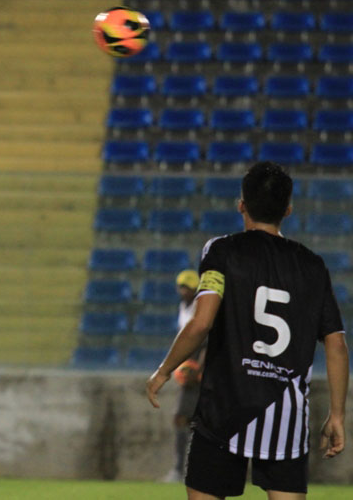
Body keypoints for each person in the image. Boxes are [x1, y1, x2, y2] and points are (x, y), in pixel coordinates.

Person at [146, 162, 349, 499]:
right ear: (288, 210)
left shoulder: (220, 251)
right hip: (285, 411)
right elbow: (336, 344)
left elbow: (201, 323)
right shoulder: (313, 265)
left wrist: (164, 370)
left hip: (223, 407)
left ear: (241, 204)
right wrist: (337, 415)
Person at [162, 269, 204, 483]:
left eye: (188, 287)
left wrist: (199, 367)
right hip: (189, 369)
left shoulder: (200, 307)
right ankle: (183, 469)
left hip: (197, 371)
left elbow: (206, 337)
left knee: (186, 419)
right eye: (182, 286)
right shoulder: (184, 307)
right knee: (184, 419)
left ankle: (182, 470)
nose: (184, 290)